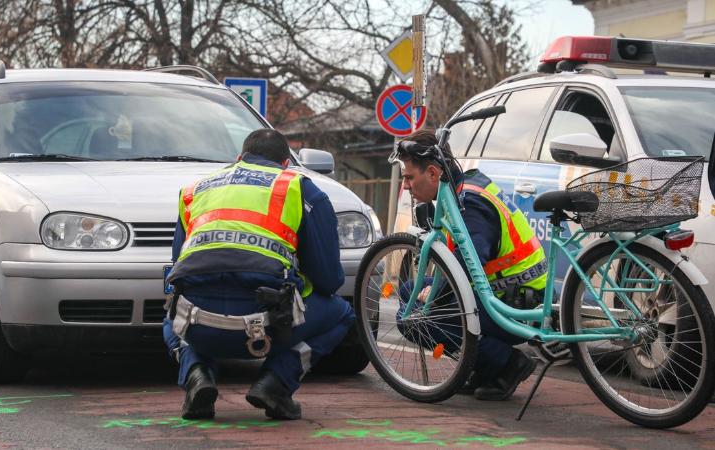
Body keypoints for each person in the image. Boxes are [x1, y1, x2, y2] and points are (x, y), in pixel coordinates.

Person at [163, 128, 355, 420]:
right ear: (285, 165)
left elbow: (178, 266)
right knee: (341, 313)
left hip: (199, 326)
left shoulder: (195, 190)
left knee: (169, 313)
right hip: (269, 327)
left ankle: (196, 374)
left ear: (239, 158)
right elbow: (329, 279)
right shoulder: (298, 188)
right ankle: (276, 383)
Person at [391, 129, 547, 401]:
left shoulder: (470, 204)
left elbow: (469, 262)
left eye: (408, 177)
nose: (405, 186)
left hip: (516, 303)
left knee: (413, 320)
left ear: (432, 173)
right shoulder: (464, 188)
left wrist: (438, 295)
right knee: (409, 291)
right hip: (500, 292)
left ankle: (507, 363)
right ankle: (484, 367)